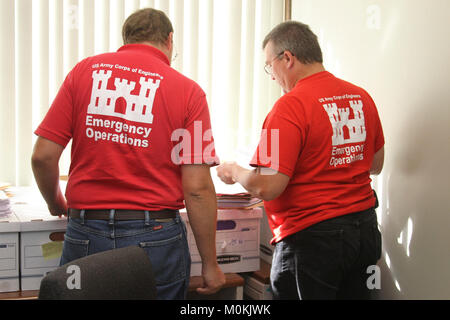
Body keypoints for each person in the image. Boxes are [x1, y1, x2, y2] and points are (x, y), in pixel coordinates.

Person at [31, 8, 225, 299]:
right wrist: (211, 264)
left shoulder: (84, 72)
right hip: (155, 236)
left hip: (86, 230)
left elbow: (42, 156)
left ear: (127, 38)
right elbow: (197, 188)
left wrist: (55, 201)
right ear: (169, 40)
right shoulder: (189, 92)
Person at [216, 21, 384, 300]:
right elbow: (375, 164)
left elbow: (268, 187)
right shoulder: (360, 97)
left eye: (270, 66)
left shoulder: (290, 106)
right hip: (364, 232)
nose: (271, 76)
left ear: (288, 58)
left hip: (313, 240)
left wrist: (235, 170)